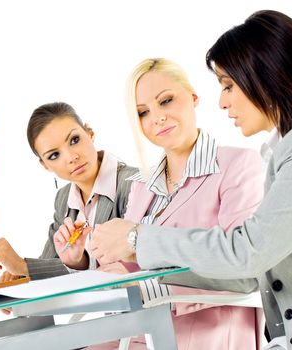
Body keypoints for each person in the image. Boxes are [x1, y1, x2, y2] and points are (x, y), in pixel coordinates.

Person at [90, 10, 292, 349]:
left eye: (228, 85)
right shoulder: (283, 148)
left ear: (267, 74)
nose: (223, 101)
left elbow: (248, 252)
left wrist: (139, 239)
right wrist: (135, 272)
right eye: (142, 112)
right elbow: (246, 270)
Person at [88, 58, 265, 350]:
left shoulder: (238, 166)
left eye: (166, 101)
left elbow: (242, 270)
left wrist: (148, 283)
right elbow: (124, 265)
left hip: (206, 331)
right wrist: (85, 257)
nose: (156, 118)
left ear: (193, 97)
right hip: (139, 330)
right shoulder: (142, 186)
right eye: (143, 112)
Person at [0, 102, 136, 282]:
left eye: (74, 140)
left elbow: (127, 267)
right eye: (54, 155)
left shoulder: (134, 183)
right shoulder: (64, 198)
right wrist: (22, 277)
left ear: (89, 133)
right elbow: (51, 261)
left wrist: (22, 265)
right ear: (45, 165)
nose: (71, 157)